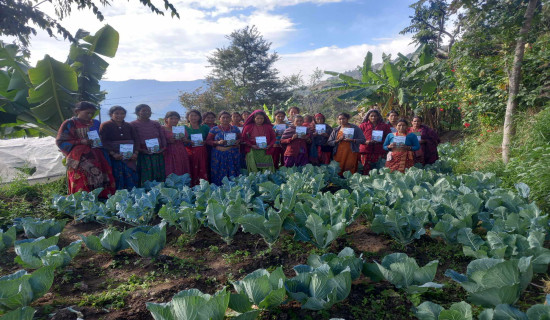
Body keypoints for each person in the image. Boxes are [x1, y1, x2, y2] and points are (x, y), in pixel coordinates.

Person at [56, 101, 116, 197]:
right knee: (81, 179)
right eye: (87, 113)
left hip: (98, 156)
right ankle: (83, 203)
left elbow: (104, 137)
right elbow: (60, 141)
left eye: (92, 113)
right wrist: (80, 142)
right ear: (77, 111)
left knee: (102, 178)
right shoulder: (70, 123)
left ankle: (101, 202)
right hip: (78, 158)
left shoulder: (96, 123)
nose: (90, 115)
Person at [99, 105, 139, 190]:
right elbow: (103, 141)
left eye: (122, 113)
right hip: (114, 157)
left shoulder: (129, 126)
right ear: (111, 114)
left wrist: (135, 153)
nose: (119, 115)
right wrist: (113, 154)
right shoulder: (105, 125)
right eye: (116, 113)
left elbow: (136, 139)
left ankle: (133, 194)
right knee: (117, 176)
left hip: (130, 157)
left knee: (131, 174)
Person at [131, 104, 167, 186]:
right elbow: (134, 139)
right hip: (143, 155)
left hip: (158, 153)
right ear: (137, 112)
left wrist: (163, 148)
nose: (147, 112)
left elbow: (162, 136)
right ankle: (147, 192)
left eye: (149, 110)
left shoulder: (156, 123)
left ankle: (160, 190)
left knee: (159, 173)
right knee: (146, 174)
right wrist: (141, 150)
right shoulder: (133, 124)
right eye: (144, 110)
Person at [206, 111, 242, 185]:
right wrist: (218, 142)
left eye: (227, 117)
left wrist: (238, 141)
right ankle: (218, 187)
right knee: (218, 170)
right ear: (219, 119)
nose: (225, 119)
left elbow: (241, 138)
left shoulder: (235, 129)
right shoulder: (214, 129)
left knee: (233, 170)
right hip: (218, 154)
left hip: (232, 153)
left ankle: (234, 187)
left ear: (230, 119)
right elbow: (208, 141)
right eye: (223, 117)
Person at [359, 109, 392, 174]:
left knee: (379, 168)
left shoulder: (384, 126)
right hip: (366, 151)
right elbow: (358, 137)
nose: (373, 117)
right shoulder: (362, 125)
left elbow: (389, 137)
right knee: (365, 168)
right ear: (368, 117)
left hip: (380, 150)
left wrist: (382, 141)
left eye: (375, 116)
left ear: (378, 117)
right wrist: (365, 142)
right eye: (371, 116)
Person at [185, 110, 210, 185]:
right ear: (188, 117)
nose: (193, 117)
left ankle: (203, 185)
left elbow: (209, 139)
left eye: (196, 115)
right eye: (191, 115)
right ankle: (192, 186)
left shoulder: (205, 127)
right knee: (191, 168)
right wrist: (187, 141)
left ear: (199, 117)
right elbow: (180, 140)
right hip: (190, 152)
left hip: (202, 151)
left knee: (203, 168)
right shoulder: (184, 128)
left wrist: (205, 142)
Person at [163, 111, 191, 176]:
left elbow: (187, 141)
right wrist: (168, 141)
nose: (174, 120)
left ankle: (183, 185)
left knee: (182, 168)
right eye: (171, 118)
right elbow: (158, 141)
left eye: (176, 118)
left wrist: (185, 140)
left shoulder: (181, 129)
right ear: (166, 119)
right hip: (168, 153)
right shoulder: (162, 129)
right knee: (170, 170)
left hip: (181, 152)